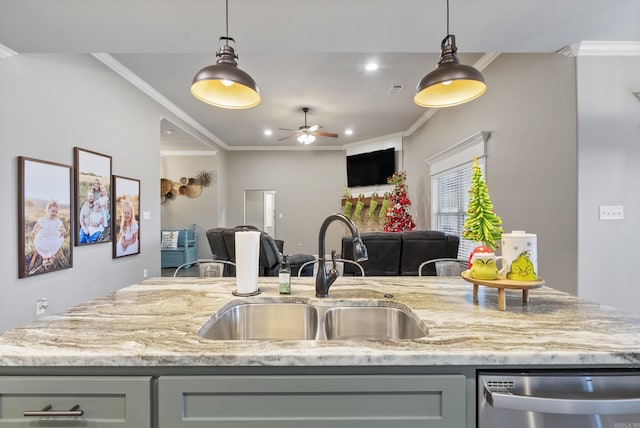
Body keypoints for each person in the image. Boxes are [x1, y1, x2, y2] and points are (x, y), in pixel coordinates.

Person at [31, 199, 66, 267]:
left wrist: (63, 231)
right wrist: (34, 230)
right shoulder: (43, 220)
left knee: (54, 243)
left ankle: (51, 257)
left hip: (53, 237)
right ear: (48, 210)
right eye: (52, 211)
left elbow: (62, 227)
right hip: (44, 237)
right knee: (44, 244)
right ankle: (45, 258)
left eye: (56, 212)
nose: (54, 213)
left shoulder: (57, 221)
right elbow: (37, 225)